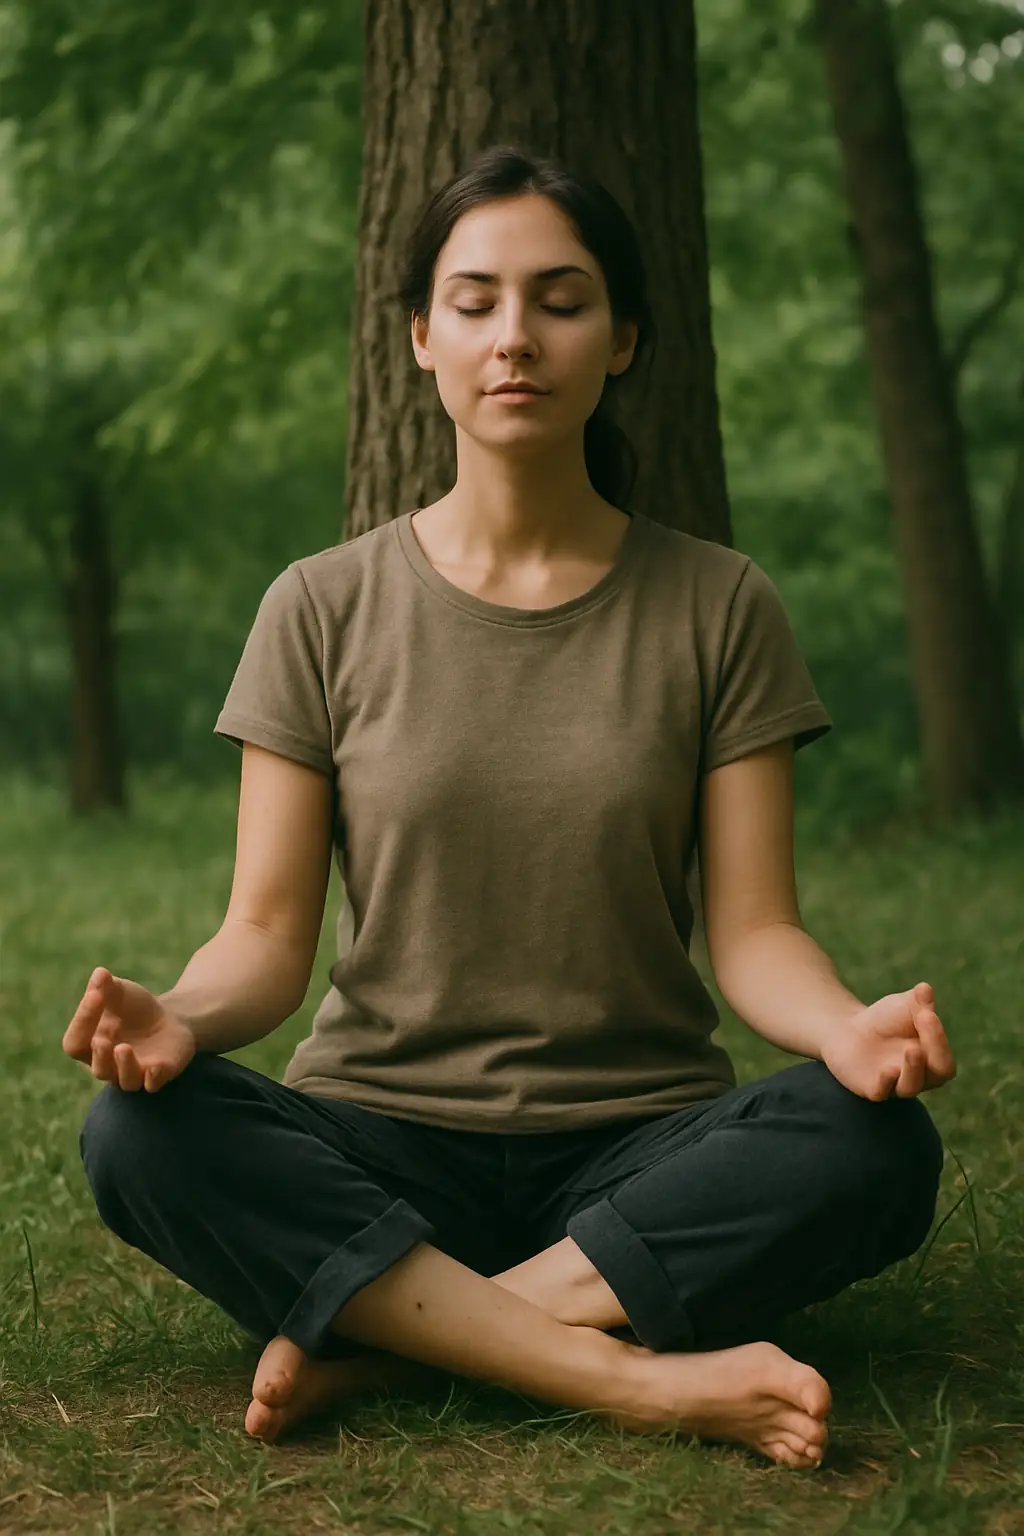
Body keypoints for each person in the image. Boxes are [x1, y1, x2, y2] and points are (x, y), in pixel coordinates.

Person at [64, 145, 955, 1468]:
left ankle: (377, 1337)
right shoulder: (319, 607)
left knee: (874, 1146)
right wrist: (179, 1020)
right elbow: (264, 936)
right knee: (137, 1134)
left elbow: (758, 933)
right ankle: (641, 1380)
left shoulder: (720, 606)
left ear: (626, 338)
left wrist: (847, 1029)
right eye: (473, 301)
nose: (515, 338)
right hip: (377, 1143)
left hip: (634, 1151)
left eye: (562, 298)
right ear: (420, 338)